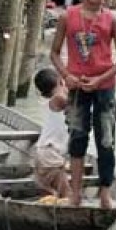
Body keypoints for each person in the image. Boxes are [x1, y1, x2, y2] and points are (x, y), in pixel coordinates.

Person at [49, 0, 116, 209]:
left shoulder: (112, 20)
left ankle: (105, 194)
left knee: (106, 141)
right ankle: (75, 195)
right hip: (75, 89)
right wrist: (66, 75)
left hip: (104, 89)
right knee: (77, 138)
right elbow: (54, 53)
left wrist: (99, 80)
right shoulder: (68, 17)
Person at [31, 68, 71, 202]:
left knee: (50, 197)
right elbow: (77, 104)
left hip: (45, 154)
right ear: (61, 81)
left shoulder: (54, 100)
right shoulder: (58, 99)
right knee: (67, 196)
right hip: (50, 154)